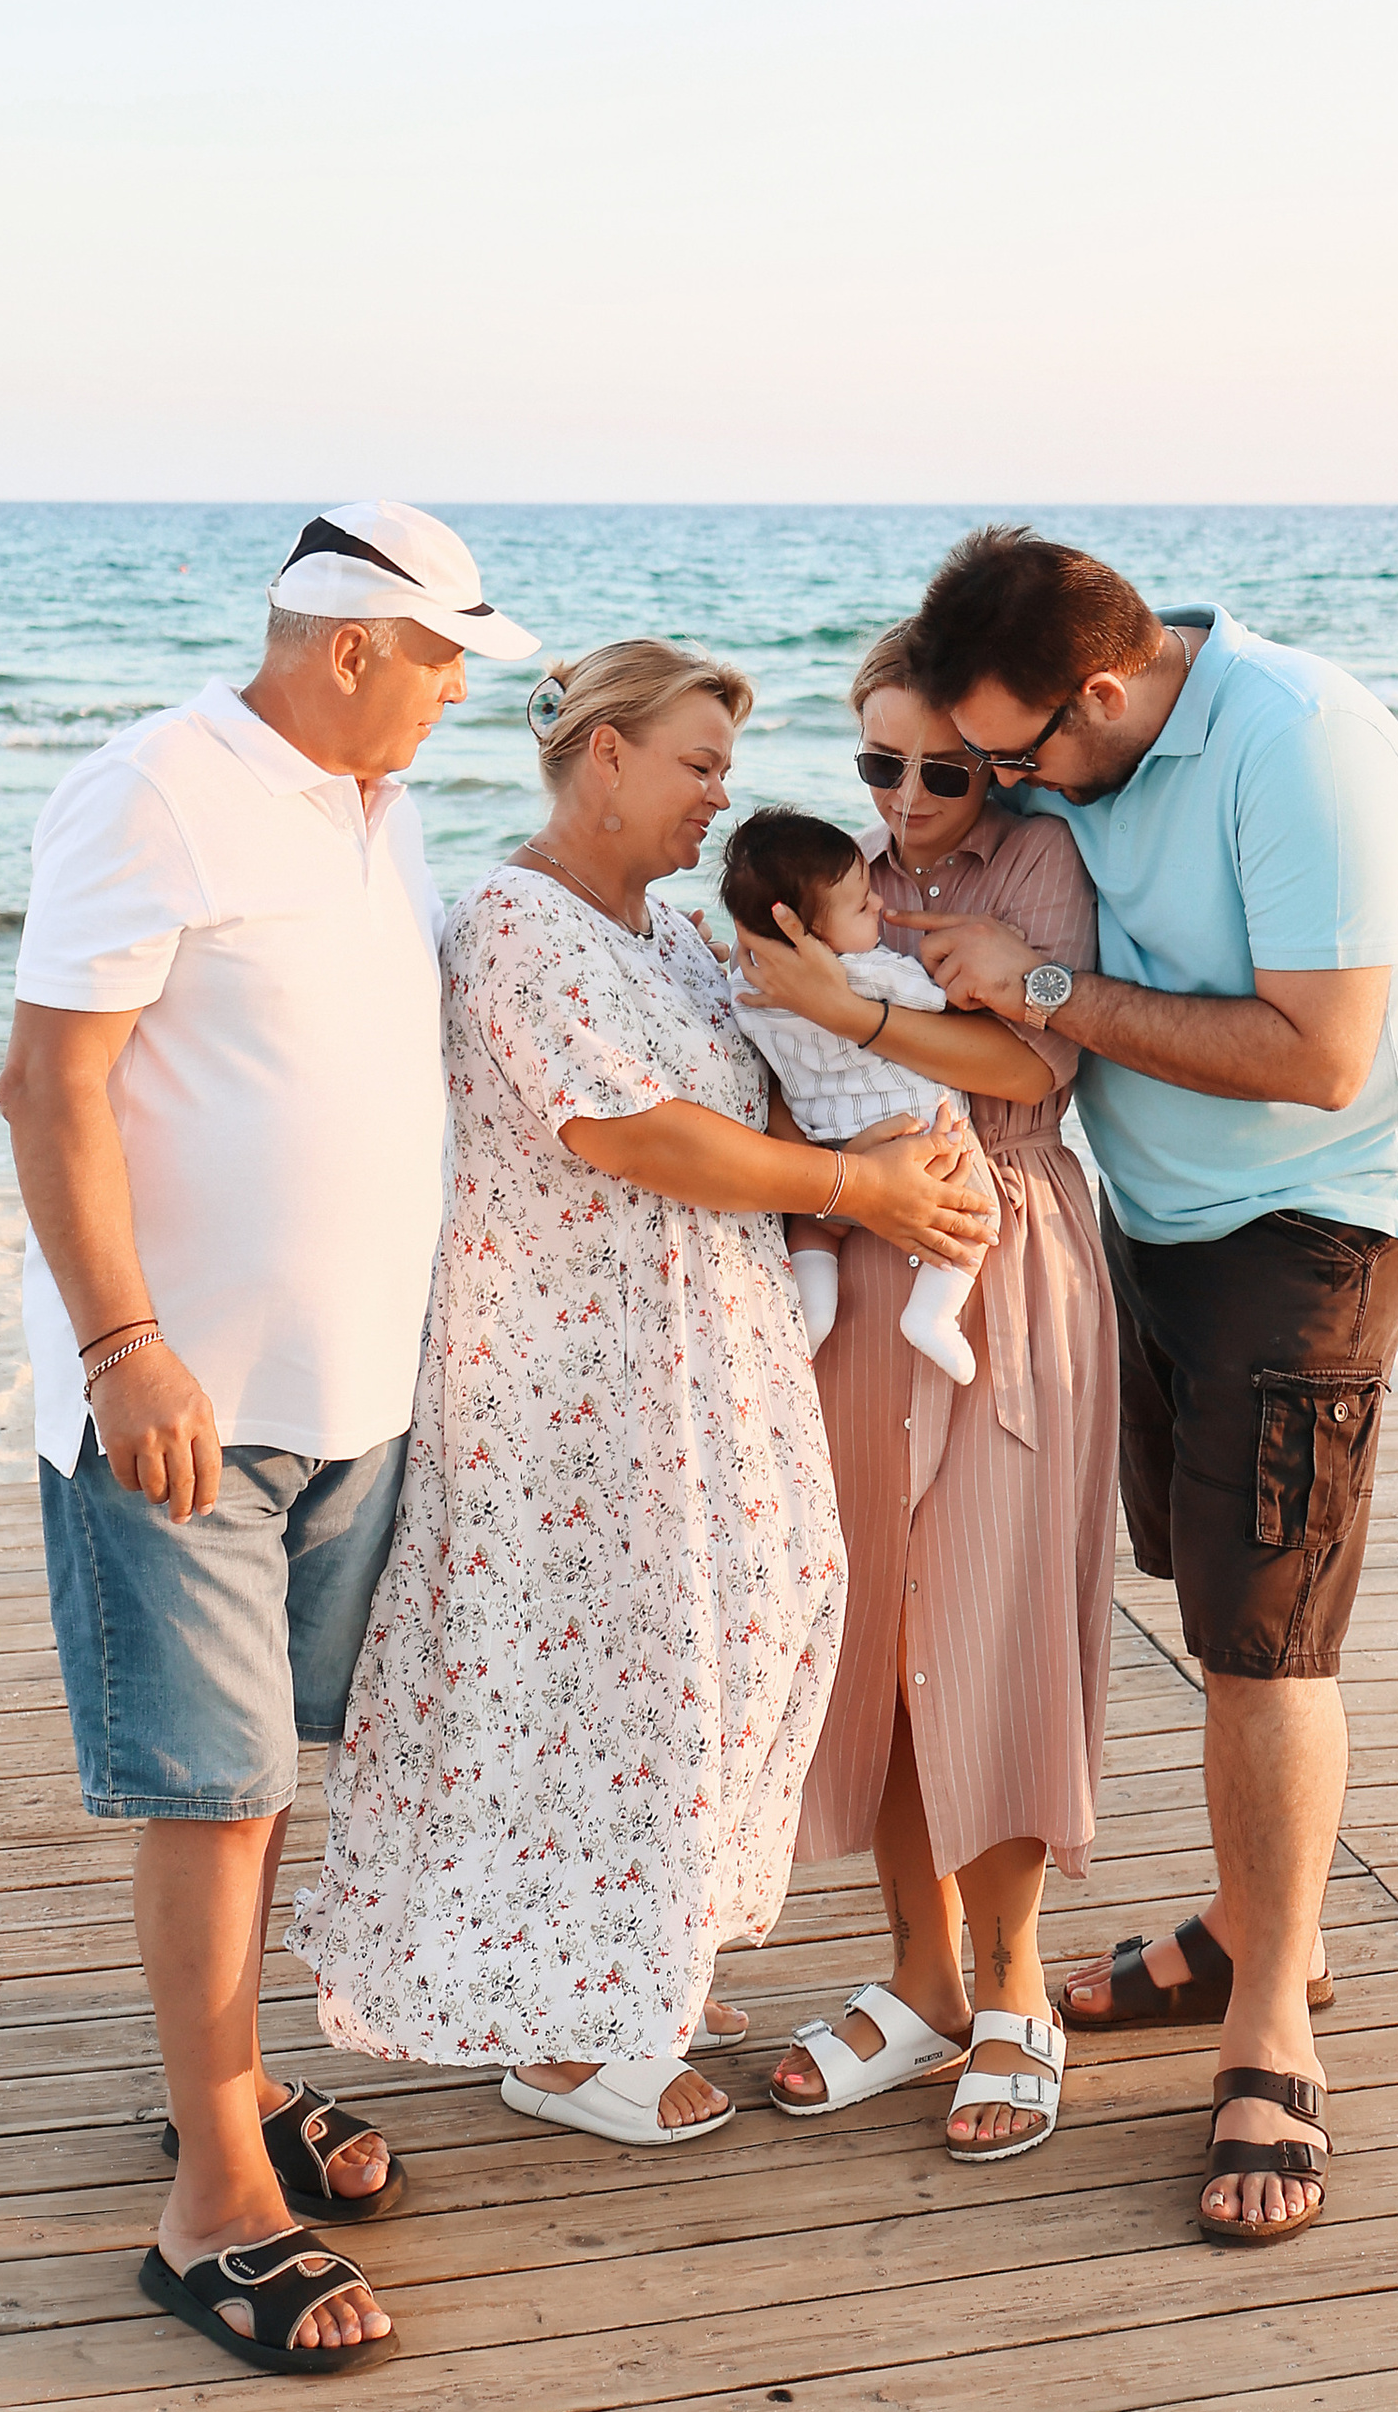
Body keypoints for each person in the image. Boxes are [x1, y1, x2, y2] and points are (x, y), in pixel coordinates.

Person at [288, 640, 992, 2153]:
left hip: (706, 1358)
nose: (719, 799)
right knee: (595, 1680)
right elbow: (633, 1131)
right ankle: (561, 2037)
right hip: (571, 1380)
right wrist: (857, 1188)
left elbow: (762, 1085)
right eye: (696, 765)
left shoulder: (672, 937)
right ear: (601, 758)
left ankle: (627, 1953)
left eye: (725, 771)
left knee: (724, 1641)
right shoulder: (511, 923)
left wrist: (904, 1125)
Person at [0, 498, 537, 2378]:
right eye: (450, 657)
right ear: (351, 645)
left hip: (351, 1397)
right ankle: (215, 2198)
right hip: (188, 1405)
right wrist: (123, 1345)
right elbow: (49, 1077)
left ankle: (219, 2087)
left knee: (264, 1784)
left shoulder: (377, 811)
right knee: (211, 1790)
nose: (464, 691)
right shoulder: (154, 789)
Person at [892, 528, 1398, 2249]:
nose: (1007, 790)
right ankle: (1241, 1918)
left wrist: (1047, 986)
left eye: (1022, 757)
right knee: (1199, 1590)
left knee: (1264, 1638)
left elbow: (1318, 1057)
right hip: (1153, 1220)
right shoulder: (1069, 729)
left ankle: (1271, 2024)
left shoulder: (1304, 748)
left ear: (1110, 689)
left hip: (1317, 1223)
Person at [735, 623, 1117, 2164]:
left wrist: (847, 1015)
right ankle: (920, 1969)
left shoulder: (1038, 869)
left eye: (938, 769)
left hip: (1000, 1246)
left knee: (995, 1611)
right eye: (877, 764)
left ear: (997, 758)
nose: (904, 798)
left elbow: (1039, 1070)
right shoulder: (828, 876)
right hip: (853, 1255)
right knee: (880, 1623)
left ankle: (1017, 1984)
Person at [720, 806, 999, 1384]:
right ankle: (932, 1314)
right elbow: (936, 1004)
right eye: (861, 902)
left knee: (818, 1226)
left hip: (824, 1145)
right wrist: (942, 969)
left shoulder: (747, 983)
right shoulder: (868, 975)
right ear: (813, 934)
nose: (878, 905)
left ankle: (813, 1314)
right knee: (976, 1207)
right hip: (913, 1129)